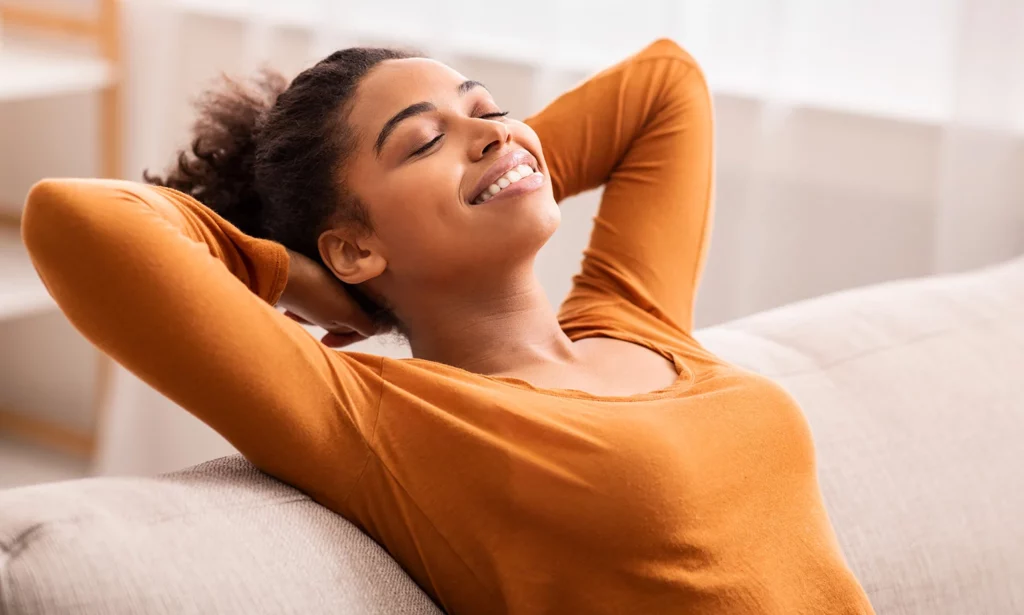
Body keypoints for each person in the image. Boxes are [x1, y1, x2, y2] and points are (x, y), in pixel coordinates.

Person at [22, 39, 875, 614]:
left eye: (488, 106)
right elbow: (73, 218)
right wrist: (304, 284)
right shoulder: (383, 418)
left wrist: (501, 155)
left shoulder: (636, 320)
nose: (490, 129)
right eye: (423, 141)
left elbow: (665, 84)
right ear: (352, 245)